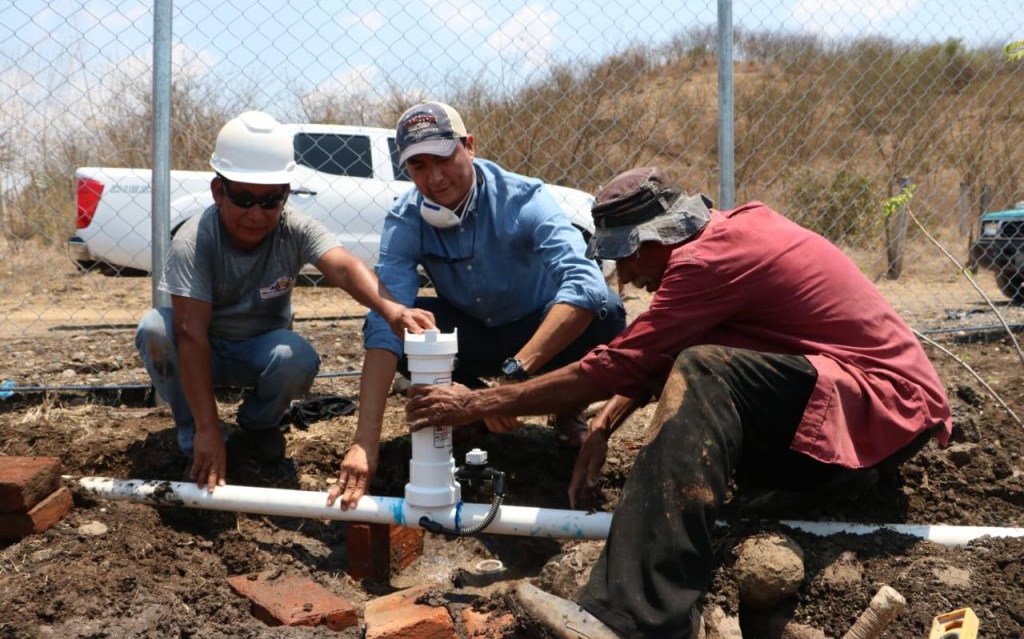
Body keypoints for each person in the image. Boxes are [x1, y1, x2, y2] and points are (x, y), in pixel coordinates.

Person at [404, 166, 952, 637]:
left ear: (656, 240)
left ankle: (635, 618)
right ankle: (824, 483)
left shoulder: (707, 261)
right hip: (876, 410)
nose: (628, 278)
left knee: (704, 368)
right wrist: (603, 427)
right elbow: (655, 353)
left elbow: (623, 363)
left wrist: (480, 403)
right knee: (700, 361)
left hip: (882, 403)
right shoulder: (731, 234)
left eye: (627, 258)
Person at [326, 101, 626, 509]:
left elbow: (585, 284)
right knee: (398, 321)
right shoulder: (407, 216)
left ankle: (564, 407)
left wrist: (516, 374)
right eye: (418, 166)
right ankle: (468, 405)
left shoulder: (525, 199)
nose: (434, 178)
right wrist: (365, 442)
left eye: (444, 159)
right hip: (471, 333)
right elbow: (386, 318)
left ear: (469, 146)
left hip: (538, 333)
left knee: (606, 311)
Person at [135, 110, 434, 493]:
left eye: (270, 200)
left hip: (260, 354)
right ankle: (198, 435)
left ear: (285, 195)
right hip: (202, 350)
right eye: (243, 199)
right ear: (218, 191)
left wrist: (392, 309)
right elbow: (190, 334)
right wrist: (207, 427)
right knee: (155, 329)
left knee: (298, 357)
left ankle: (258, 426)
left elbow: (344, 268)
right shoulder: (194, 241)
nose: (256, 213)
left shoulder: (294, 227)